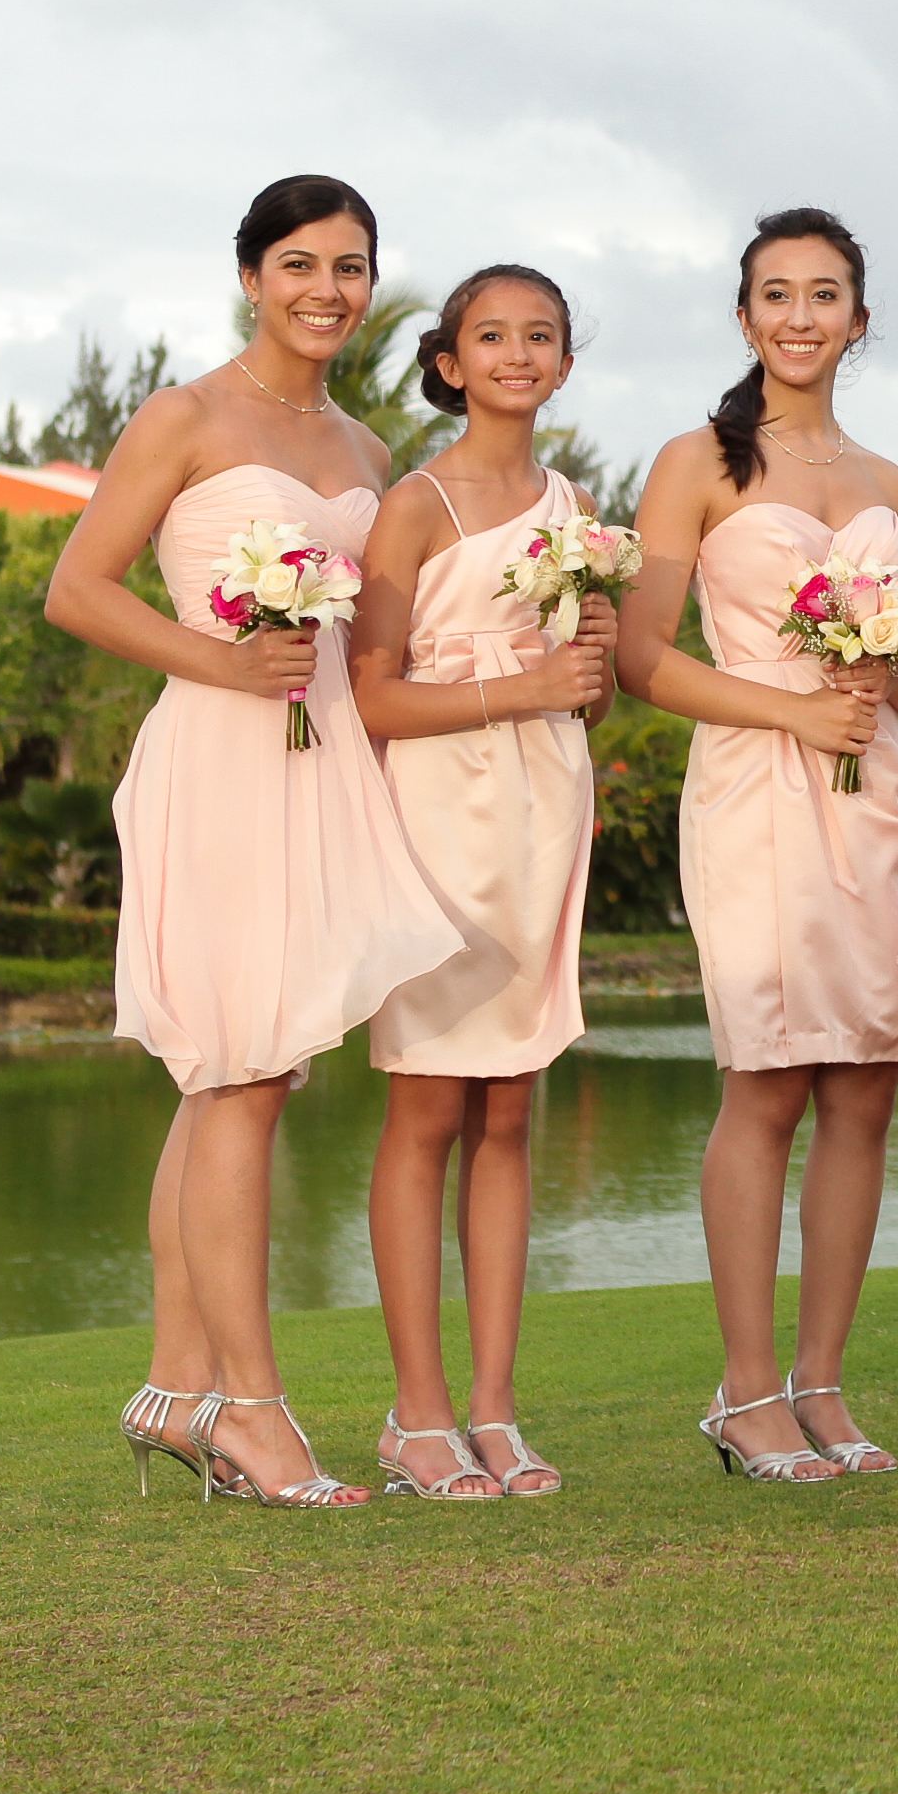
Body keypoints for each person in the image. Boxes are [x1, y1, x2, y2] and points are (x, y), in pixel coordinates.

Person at [43, 174, 467, 1509]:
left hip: (322, 762)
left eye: (351, 267)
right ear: (250, 276)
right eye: (300, 263)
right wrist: (226, 667)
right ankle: (257, 1416)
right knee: (238, 1072)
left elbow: (379, 645)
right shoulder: (184, 416)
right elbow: (77, 590)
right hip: (222, 756)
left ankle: (178, 1391)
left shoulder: (367, 452)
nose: (328, 290)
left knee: (250, 1078)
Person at [618, 210, 898, 1486]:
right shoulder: (693, 462)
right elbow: (645, 657)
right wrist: (796, 705)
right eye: (777, 294)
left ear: (859, 319)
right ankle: (745, 1390)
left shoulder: (892, 487)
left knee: (865, 1082)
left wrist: (888, 664)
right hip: (756, 783)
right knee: (768, 1074)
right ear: (745, 316)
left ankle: (823, 1380)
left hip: (873, 794)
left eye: (826, 295)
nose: (801, 316)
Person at [349, 264, 616, 1502]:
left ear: (564, 361)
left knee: (510, 1111)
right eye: (491, 334)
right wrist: (522, 688)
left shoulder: (577, 507)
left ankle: (498, 1411)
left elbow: (589, 684)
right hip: (438, 815)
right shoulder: (413, 504)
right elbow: (373, 694)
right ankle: (418, 1415)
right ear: (449, 360)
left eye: (541, 335)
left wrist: (592, 668)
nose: (518, 351)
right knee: (428, 1109)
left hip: (544, 811)